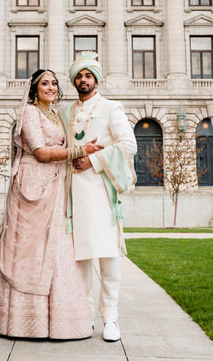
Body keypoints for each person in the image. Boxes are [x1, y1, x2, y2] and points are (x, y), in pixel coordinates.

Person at [0, 69, 102, 339]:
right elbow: (41, 152)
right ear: (34, 89)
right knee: (24, 249)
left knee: (54, 247)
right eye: (45, 83)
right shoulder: (30, 112)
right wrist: (80, 151)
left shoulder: (54, 114)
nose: (51, 87)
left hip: (54, 185)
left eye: (54, 83)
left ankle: (55, 319)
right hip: (32, 187)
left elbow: (59, 148)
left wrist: (84, 148)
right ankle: (16, 318)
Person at [58, 52, 137, 342]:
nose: (83, 80)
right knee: (80, 262)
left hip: (102, 194)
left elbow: (129, 144)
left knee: (108, 257)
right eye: (78, 75)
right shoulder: (65, 112)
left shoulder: (112, 108)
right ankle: (84, 317)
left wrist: (92, 160)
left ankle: (111, 319)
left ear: (96, 79)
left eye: (88, 75)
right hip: (71, 196)